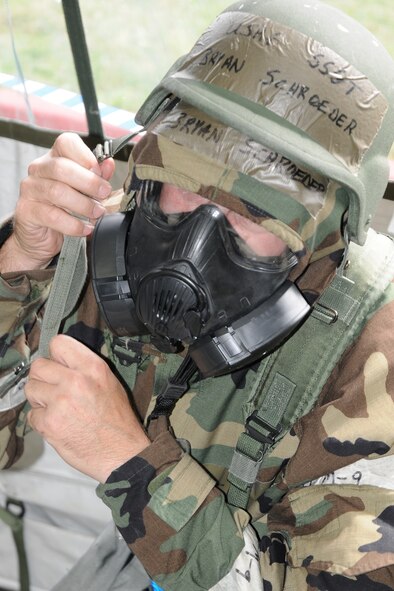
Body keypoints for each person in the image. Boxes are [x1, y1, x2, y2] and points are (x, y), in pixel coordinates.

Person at [1, 0, 394, 589]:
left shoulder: (374, 366)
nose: (194, 245)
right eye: (189, 185)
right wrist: (18, 265)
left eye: (255, 213)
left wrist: (131, 465)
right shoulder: (117, 227)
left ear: (321, 241)